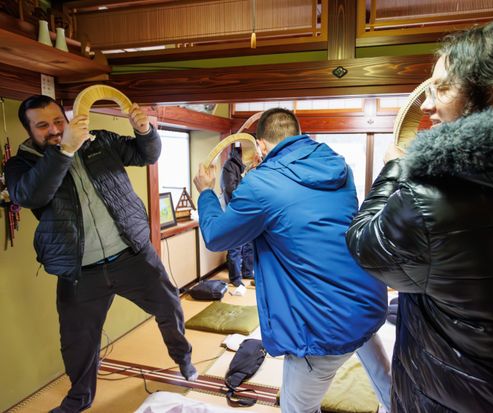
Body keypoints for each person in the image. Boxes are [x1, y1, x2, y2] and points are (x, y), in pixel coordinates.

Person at [346, 20, 493, 412]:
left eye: (442, 88)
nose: (426, 104)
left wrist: (395, 168)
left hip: (455, 395)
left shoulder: (432, 197)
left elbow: (366, 247)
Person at [5, 95, 197, 413]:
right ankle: (79, 398)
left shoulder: (100, 140)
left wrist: (145, 130)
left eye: (58, 121)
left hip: (132, 255)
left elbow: (147, 154)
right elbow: (29, 195)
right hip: (79, 270)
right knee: (77, 341)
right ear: (29, 130)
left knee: (169, 306)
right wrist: (64, 150)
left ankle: (183, 359)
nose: (54, 129)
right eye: (42, 125)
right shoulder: (21, 164)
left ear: (67, 118)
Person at [194, 108, 391, 413]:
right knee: (386, 380)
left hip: (320, 321)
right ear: (298, 134)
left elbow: (216, 236)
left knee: (296, 408)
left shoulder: (261, 184)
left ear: (260, 145)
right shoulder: (336, 164)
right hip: (365, 299)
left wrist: (206, 192)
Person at [220, 143, 254, 286]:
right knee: (235, 245)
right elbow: (229, 189)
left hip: (248, 210)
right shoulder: (229, 166)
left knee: (249, 244)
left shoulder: (248, 165)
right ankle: (235, 278)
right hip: (234, 210)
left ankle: (248, 272)